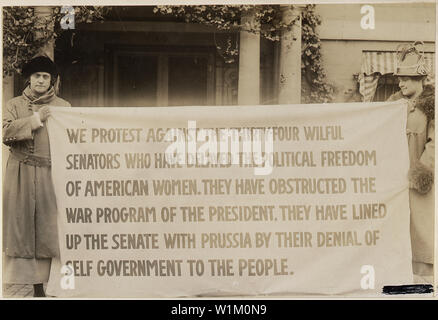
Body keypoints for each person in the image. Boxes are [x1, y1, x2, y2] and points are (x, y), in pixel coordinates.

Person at [2, 55, 71, 297]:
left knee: (47, 228)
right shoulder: (13, 104)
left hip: (49, 173)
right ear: (29, 79)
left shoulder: (64, 107)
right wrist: (35, 119)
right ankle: (26, 284)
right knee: (21, 226)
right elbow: (5, 131)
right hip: (19, 173)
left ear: (52, 81)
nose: (41, 80)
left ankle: (44, 285)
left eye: (45, 77)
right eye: (36, 76)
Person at [387, 42, 434, 284]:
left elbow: (434, 145)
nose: (401, 83)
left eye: (406, 78)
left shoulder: (431, 108)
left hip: (422, 187)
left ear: (419, 80)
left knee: (422, 238)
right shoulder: (393, 107)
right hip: (396, 184)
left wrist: (420, 173)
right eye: (400, 79)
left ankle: (426, 285)